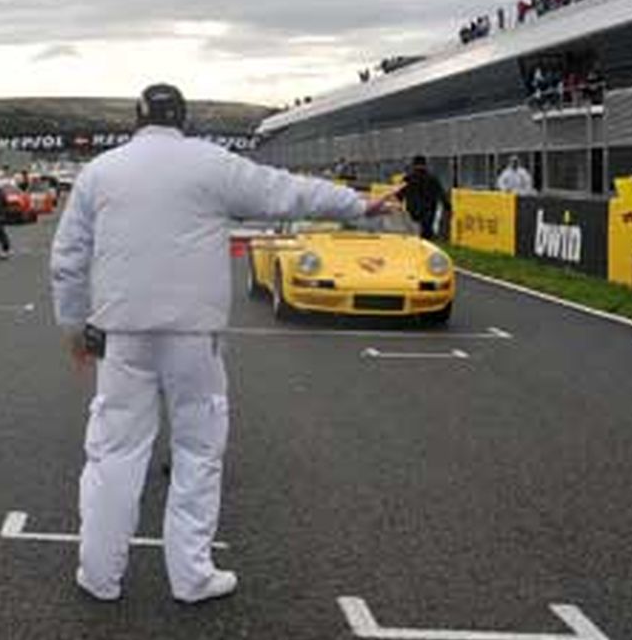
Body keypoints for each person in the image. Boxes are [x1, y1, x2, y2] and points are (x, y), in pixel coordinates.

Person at [49, 83, 398, 605]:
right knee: (198, 452)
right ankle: (191, 577)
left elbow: (68, 258)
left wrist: (74, 328)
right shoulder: (211, 163)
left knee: (113, 454)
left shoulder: (100, 171)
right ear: (183, 119)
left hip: (122, 333)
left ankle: (99, 575)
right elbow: (286, 192)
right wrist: (358, 204)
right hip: (194, 336)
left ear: (136, 121)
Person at [400, 154, 447, 239]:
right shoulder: (432, 179)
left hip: (412, 210)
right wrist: (447, 206)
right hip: (428, 210)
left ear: (413, 165)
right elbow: (441, 193)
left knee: (413, 234)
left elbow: (399, 194)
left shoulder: (408, 179)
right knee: (426, 233)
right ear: (425, 165)